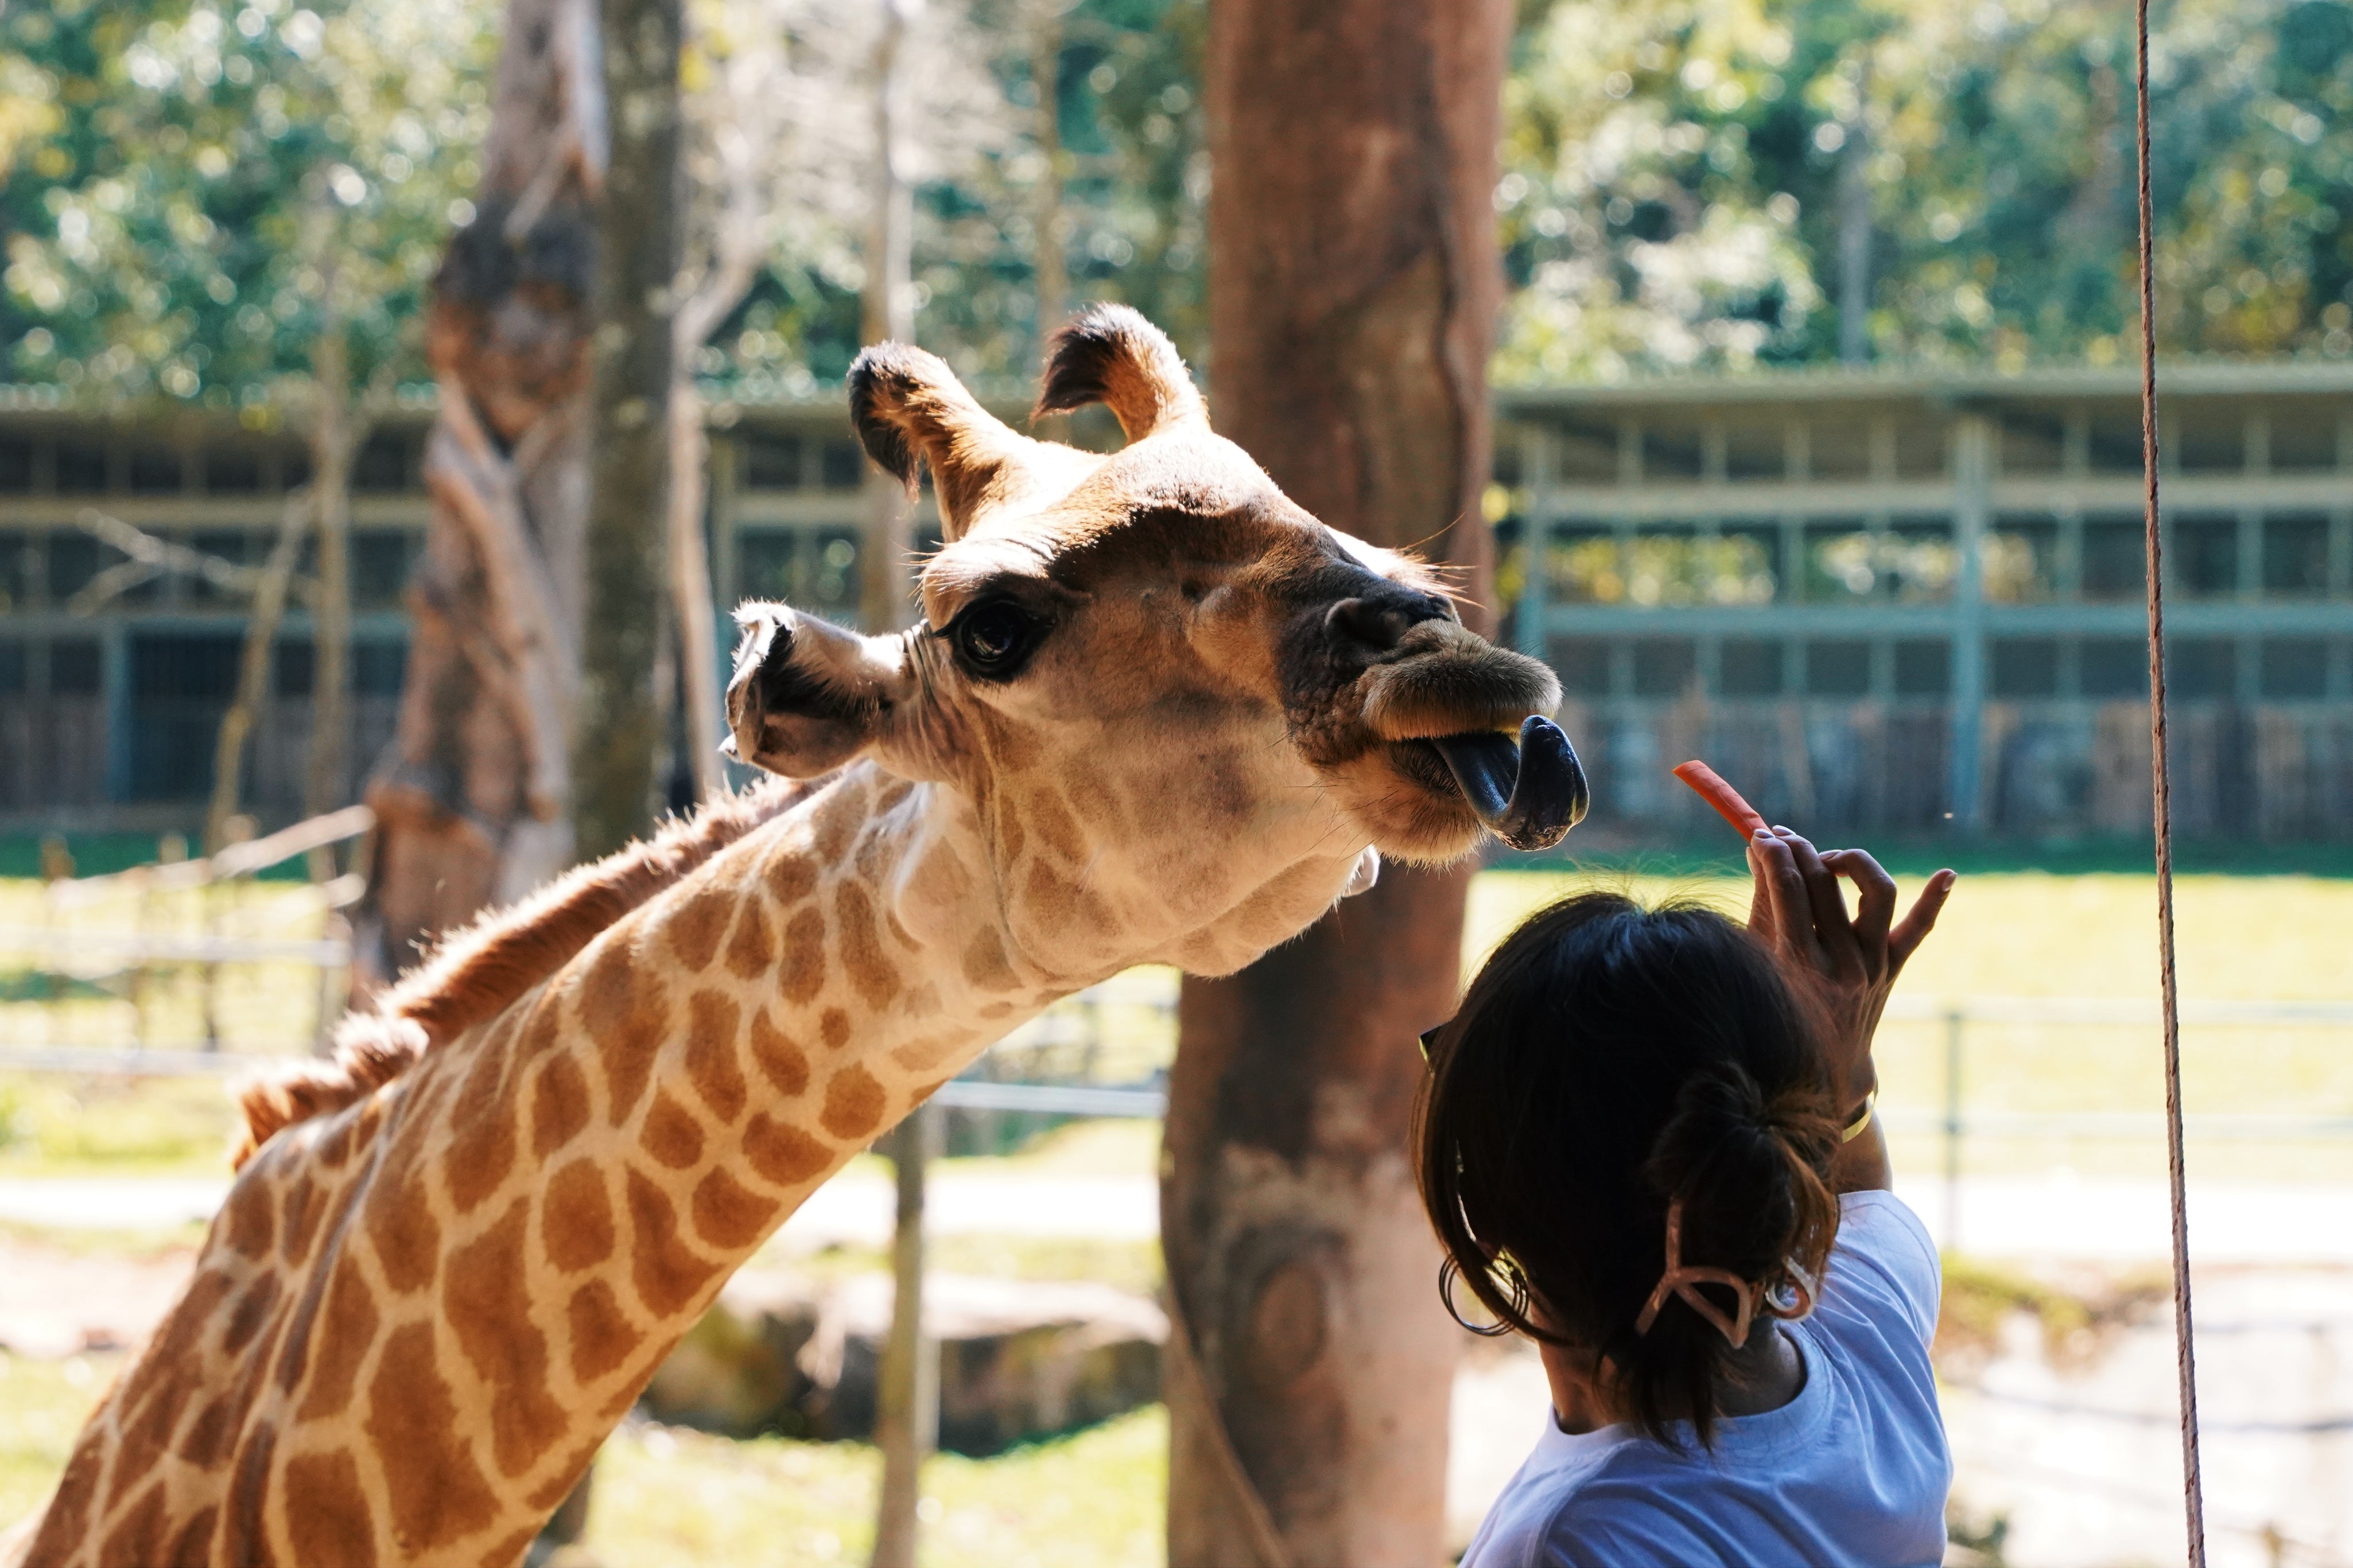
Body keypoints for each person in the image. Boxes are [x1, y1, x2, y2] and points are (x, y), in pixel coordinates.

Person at [1418, 826, 1959, 1567]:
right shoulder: (1868, 1336)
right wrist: (1836, 1066)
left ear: (1481, 1213)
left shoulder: (1576, 1544)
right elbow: (1863, 1197)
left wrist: (1828, 1061)